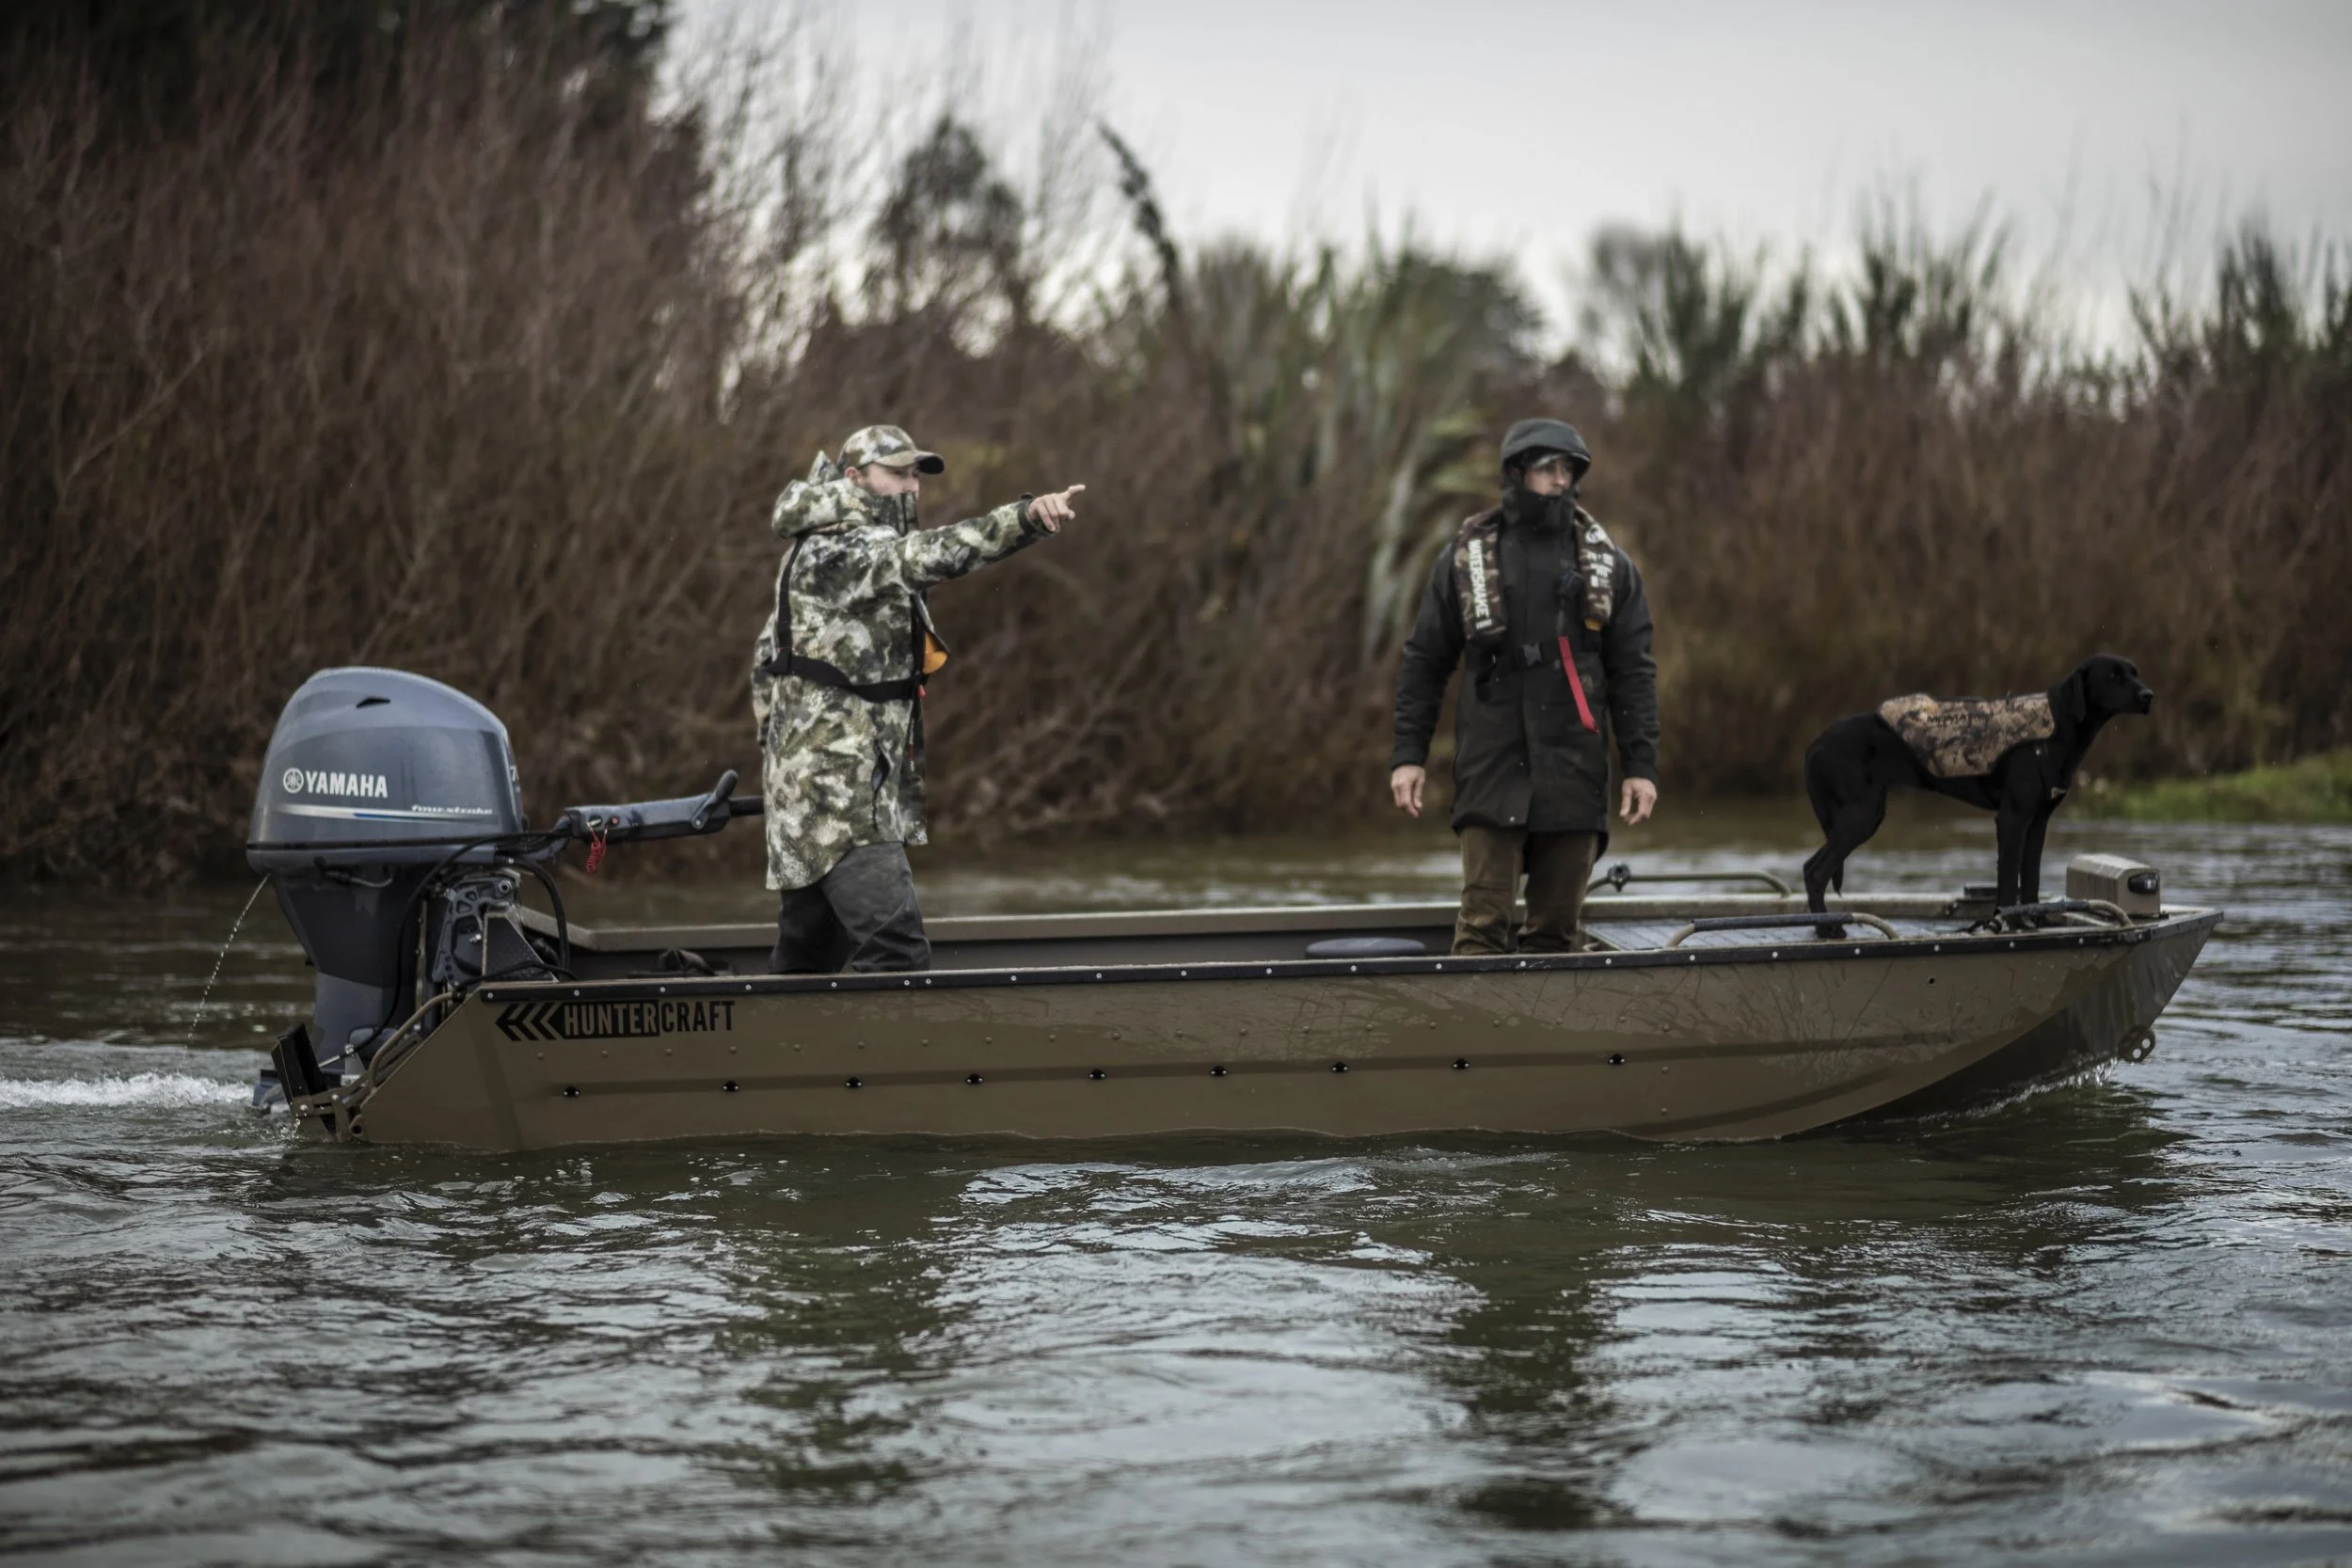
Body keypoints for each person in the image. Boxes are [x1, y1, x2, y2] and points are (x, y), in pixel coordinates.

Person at [752, 424, 1084, 973]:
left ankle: (771, 1054)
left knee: (808, 963)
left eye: (915, 476)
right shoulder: (843, 549)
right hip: (842, 800)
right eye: (896, 474)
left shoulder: (814, 548)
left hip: (818, 793)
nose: (910, 487)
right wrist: (1024, 518)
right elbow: (933, 554)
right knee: (897, 953)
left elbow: (765, 657)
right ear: (854, 478)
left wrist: (782, 766)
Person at [1390, 418, 1660, 954]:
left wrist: (1641, 767)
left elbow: (1634, 673)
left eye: (1568, 469)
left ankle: (1551, 1036)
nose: (1561, 480)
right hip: (1492, 764)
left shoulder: (1610, 565)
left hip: (1575, 768)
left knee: (1556, 932)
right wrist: (1408, 755)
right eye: (1547, 469)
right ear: (1516, 474)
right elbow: (1424, 662)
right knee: (1483, 924)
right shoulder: (1465, 560)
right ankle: (1473, 1034)